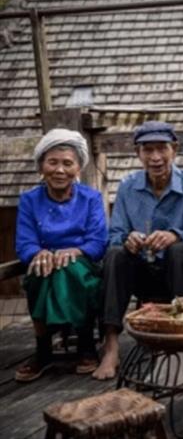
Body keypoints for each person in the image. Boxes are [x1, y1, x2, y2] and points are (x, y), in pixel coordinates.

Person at [93, 121, 183, 380]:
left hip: (179, 274)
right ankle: (110, 346)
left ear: (174, 150)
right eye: (148, 150)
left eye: (162, 149)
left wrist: (175, 235)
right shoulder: (128, 186)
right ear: (138, 154)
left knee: (178, 251)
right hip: (142, 272)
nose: (155, 157)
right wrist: (128, 238)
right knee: (115, 254)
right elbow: (114, 235)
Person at [15, 129, 108, 382]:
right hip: (45, 262)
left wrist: (76, 251)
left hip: (82, 262)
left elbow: (98, 241)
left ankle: (85, 345)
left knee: (73, 270)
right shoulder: (29, 200)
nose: (59, 170)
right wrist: (39, 253)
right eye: (52, 162)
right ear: (41, 166)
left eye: (68, 163)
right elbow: (24, 242)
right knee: (39, 272)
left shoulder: (91, 198)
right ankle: (43, 350)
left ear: (78, 168)